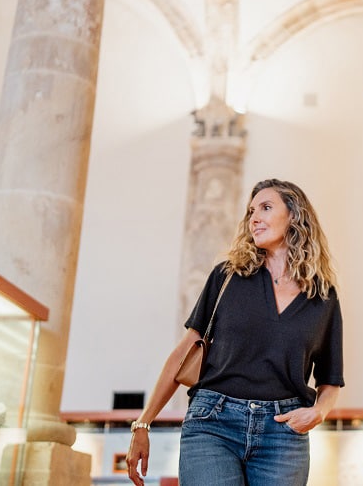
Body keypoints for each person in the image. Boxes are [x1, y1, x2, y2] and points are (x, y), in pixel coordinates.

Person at [127, 179, 343, 486]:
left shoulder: (323, 296)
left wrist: (318, 412)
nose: (254, 217)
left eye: (266, 208)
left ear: (295, 215)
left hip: (283, 434)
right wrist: (143, 424)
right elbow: (184, 352)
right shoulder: (227, 276)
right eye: (251, 210)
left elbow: (330, 378)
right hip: (213, 423)